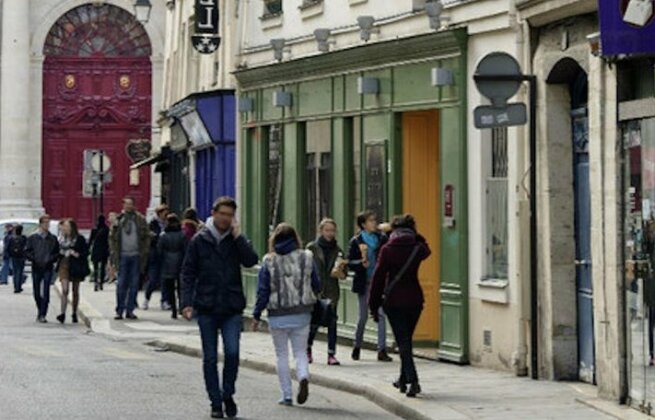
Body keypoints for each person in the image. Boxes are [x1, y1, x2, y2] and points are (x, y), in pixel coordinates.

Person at [181, 196, 259, 419]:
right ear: (213, 213)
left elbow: (250, 260)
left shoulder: (236, 241)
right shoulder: (199, 240)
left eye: (229, 215)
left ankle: (227, 394)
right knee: (210, 358)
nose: (225, 219)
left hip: (231, 306)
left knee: (233, 353)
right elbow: (188, 273)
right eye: (222, 214)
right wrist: (186, 303)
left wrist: (238, 236)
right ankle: (215, 402)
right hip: (206, 305)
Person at [253, 223, 320, 407]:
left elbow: (263, 291)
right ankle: (303, 375)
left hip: (277, 314)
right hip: (302, 312)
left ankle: (287, 395)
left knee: (281, 354)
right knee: (300, 351)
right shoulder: (307, 257)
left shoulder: (269, 261)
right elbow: (317, 282)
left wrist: (257, 314)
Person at [369, 214, 431, 398]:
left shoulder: (388, 249)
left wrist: (373, 305)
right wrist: (416, 234)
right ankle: (403, 380)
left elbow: (378, 279)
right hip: (415, 300)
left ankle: (413, 380)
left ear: (394, 229)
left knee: (403, 342)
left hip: (394, 301)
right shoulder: (417, 247)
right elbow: (427, 249)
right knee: (406, 340)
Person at [347, 210, 392, 362]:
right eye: (371, 220)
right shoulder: (356, 241)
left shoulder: (382, 238)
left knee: (380, 314)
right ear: (363, 224)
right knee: (363, 316)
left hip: (378, 282)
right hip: (364, 283)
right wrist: (361, 264)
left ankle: (382, 350)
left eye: (374, 220)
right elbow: (350, 263)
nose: (374, 223)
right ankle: (357, 345)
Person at [306, 218, 347, 366]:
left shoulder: (338, 250)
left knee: (332, 322)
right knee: (313, 323)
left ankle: (331, 354)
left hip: (331, 291)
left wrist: (340, 273)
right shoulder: (312, 248)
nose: (330, 233)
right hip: (315, 291)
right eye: (327, 230)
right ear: (320, 231)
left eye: (332, 230)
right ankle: (308, 349)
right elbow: (306, 269)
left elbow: (344, 274)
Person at [109, 196, 150, 320]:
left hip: (136, 256)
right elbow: (111, 238)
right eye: (126, 204)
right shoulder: (118, 220)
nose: (128, 206)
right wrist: (113, 255)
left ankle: (130, 310)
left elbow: (146, 236)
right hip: (122, 256)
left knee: (134, 285)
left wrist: (144, 251)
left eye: (130, 204)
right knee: (121, 284)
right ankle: (119, 310)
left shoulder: (140, 219)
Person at [25, 215, 60, 323]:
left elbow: (56, 252)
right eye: (45, 223)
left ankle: (42, 314)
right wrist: (34, 259)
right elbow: (27, 251)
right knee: (36, 292)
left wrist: (51, 259)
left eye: (48, 223)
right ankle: (40, 308)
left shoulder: (52, 238)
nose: (47, 225)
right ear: (40, 224)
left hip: (48, 267)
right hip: (36, 266)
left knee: (45, 291)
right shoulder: (33, 238)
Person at [56, 219, 89, 324]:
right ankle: (62, 313)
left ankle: (74, 312)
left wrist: (75, 253)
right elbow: (56, 251)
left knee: (75, 291)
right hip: (64, 264)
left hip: (75, 265)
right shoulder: (61, 239)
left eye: (66, 226)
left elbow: (85, 252)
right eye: (64, 226)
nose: (64, 228)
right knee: (65, 289)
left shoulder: (79, 239)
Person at [158, 213, 187, 319]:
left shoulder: (163, 235)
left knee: (169, 289)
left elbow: (159, 251)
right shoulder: (182, 235)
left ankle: (173, 309)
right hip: (180, 262)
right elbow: (186, 250)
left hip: (167, 263)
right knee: (181, 288)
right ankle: (181, 307)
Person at [143, 204, 169, 310]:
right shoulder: (152, 224)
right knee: (153, 279)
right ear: (159, 214)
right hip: (155, 254)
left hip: (166, 255)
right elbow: (149, 238)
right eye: (164, 213)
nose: (166, 216)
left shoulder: (169, 224)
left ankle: (164, 301)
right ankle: (147, 298)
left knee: (165, 279)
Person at [89, 215, 110, 291]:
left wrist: (88, 249)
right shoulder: (106, 229)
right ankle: (101, 283)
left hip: (96, 249)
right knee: (103, 267)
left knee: (96, 267)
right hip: (104, 249)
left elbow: (91, 240)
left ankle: (95, 282)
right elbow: (108, 240)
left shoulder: (94, 229)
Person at [8, 224, 27, 293]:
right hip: (21, 256)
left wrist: (10, 254)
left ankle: (15, 286)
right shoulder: (24, 238)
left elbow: (8, 247)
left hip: (14, 256)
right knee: (20, 271)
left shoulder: (12, 238)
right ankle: (19, 286)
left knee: (15, 271)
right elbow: (26, 247)